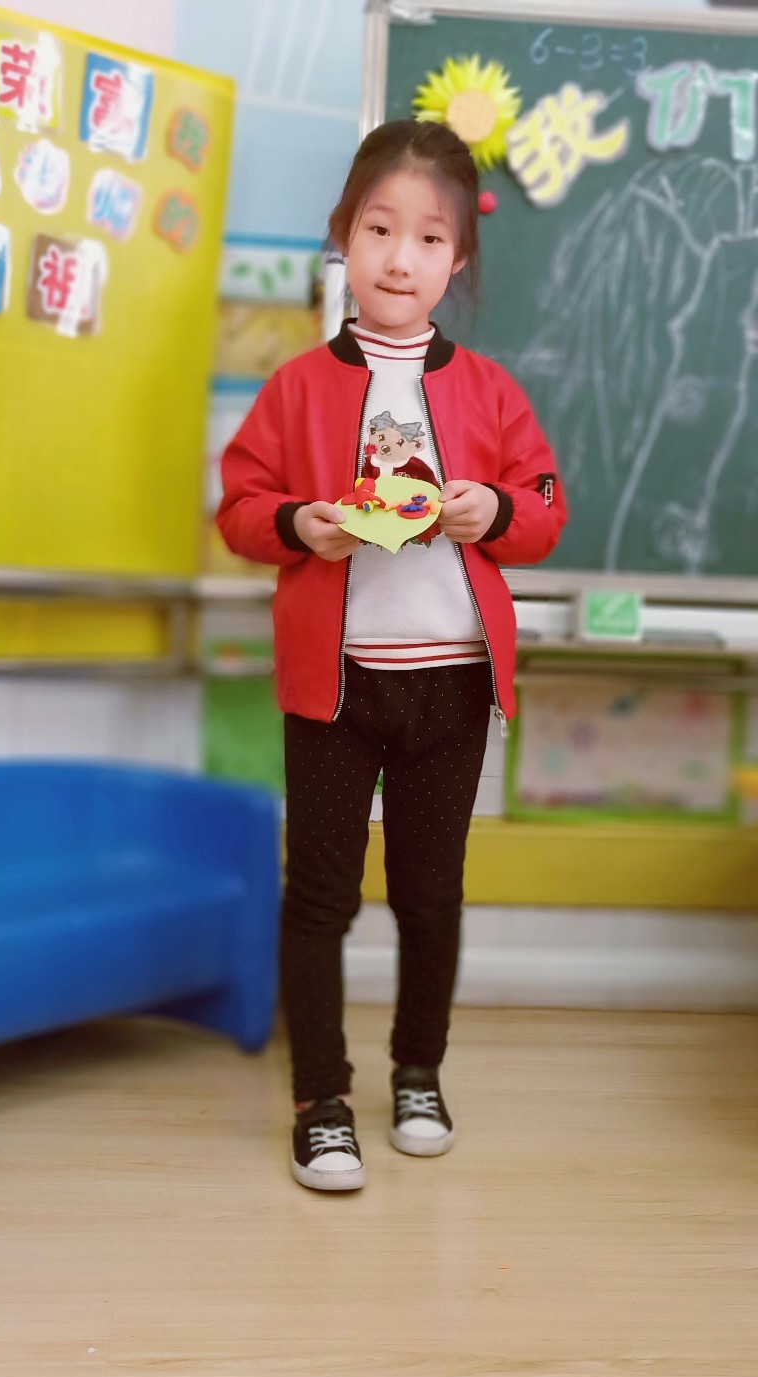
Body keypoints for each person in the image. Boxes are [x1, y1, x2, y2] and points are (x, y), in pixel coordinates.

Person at [217, 119, 567, 1193]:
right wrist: (299, 525)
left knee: (430, 892)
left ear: (458, 259)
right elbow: (240, 506)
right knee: (319, 895)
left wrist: (493, 507)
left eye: (428, 238)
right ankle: (320, 1099)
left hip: (453, 685)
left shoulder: (491, 390)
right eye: (378, 229)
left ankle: (419, 1073)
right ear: (344, 235)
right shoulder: (296, 386)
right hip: (335, 686)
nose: (400, 257)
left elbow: (544, 508)